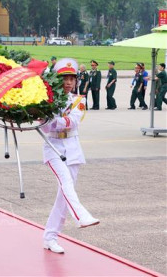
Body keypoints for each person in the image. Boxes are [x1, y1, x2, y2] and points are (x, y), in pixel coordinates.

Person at [41, 58, 100, 254]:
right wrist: (50, 118)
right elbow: (45, 126)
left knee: (63, 196)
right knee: (66, 183)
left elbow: (72, 122)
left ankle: (50, 236)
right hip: (53, 147)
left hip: (73, 149)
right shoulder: (46, 101)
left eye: (71, 79)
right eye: (64, 79)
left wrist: (53, 119)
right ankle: (81, 215)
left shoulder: (79, 100)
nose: (68, 82)